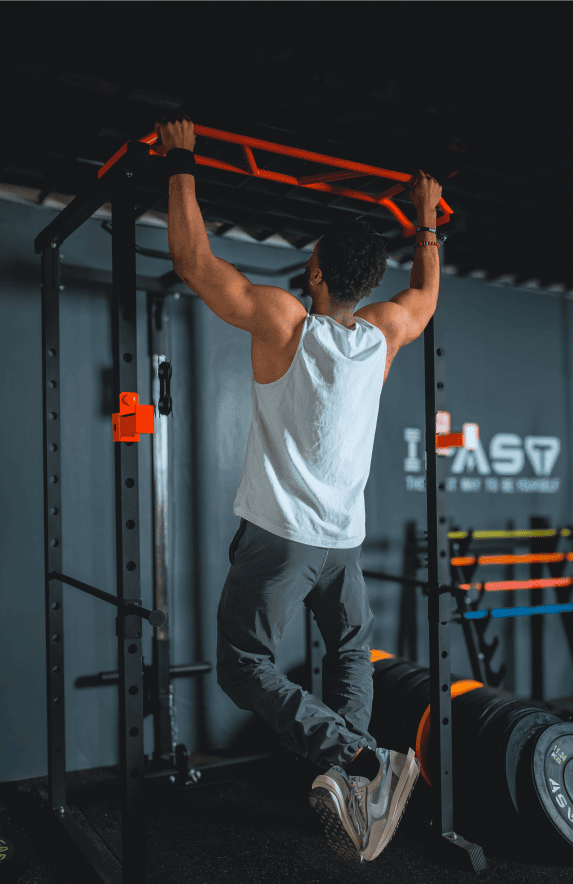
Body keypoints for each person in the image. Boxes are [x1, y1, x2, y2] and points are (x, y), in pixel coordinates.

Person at [216, 175, 441, 863]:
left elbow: (195, 263)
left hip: (280, 536)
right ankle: (359, 782)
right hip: (342, 541)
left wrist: (180, 162)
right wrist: (426, 219)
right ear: (368, 283)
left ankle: (361, 756)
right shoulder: (383, 333)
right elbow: (425, 294)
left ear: (314, 273)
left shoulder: (285, 322)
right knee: (349, 651)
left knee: (242, 665)